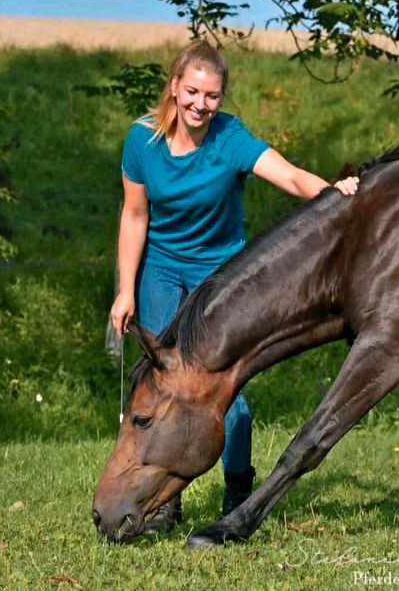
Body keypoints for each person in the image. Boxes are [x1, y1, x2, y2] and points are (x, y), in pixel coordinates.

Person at [108, 40, 359, 531]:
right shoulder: (142, 141)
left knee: (229, 398)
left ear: (222, 98)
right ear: (175, 87)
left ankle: (238, 491)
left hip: (221, 274)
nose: (201, 104)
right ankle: (164, 503)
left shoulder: (230, 137)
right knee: (161, 390)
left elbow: (285, 175)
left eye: (213, 95)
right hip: (160, 268)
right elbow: (135, 216)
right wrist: (126, 288)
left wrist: (333, 194)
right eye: (193, 92)